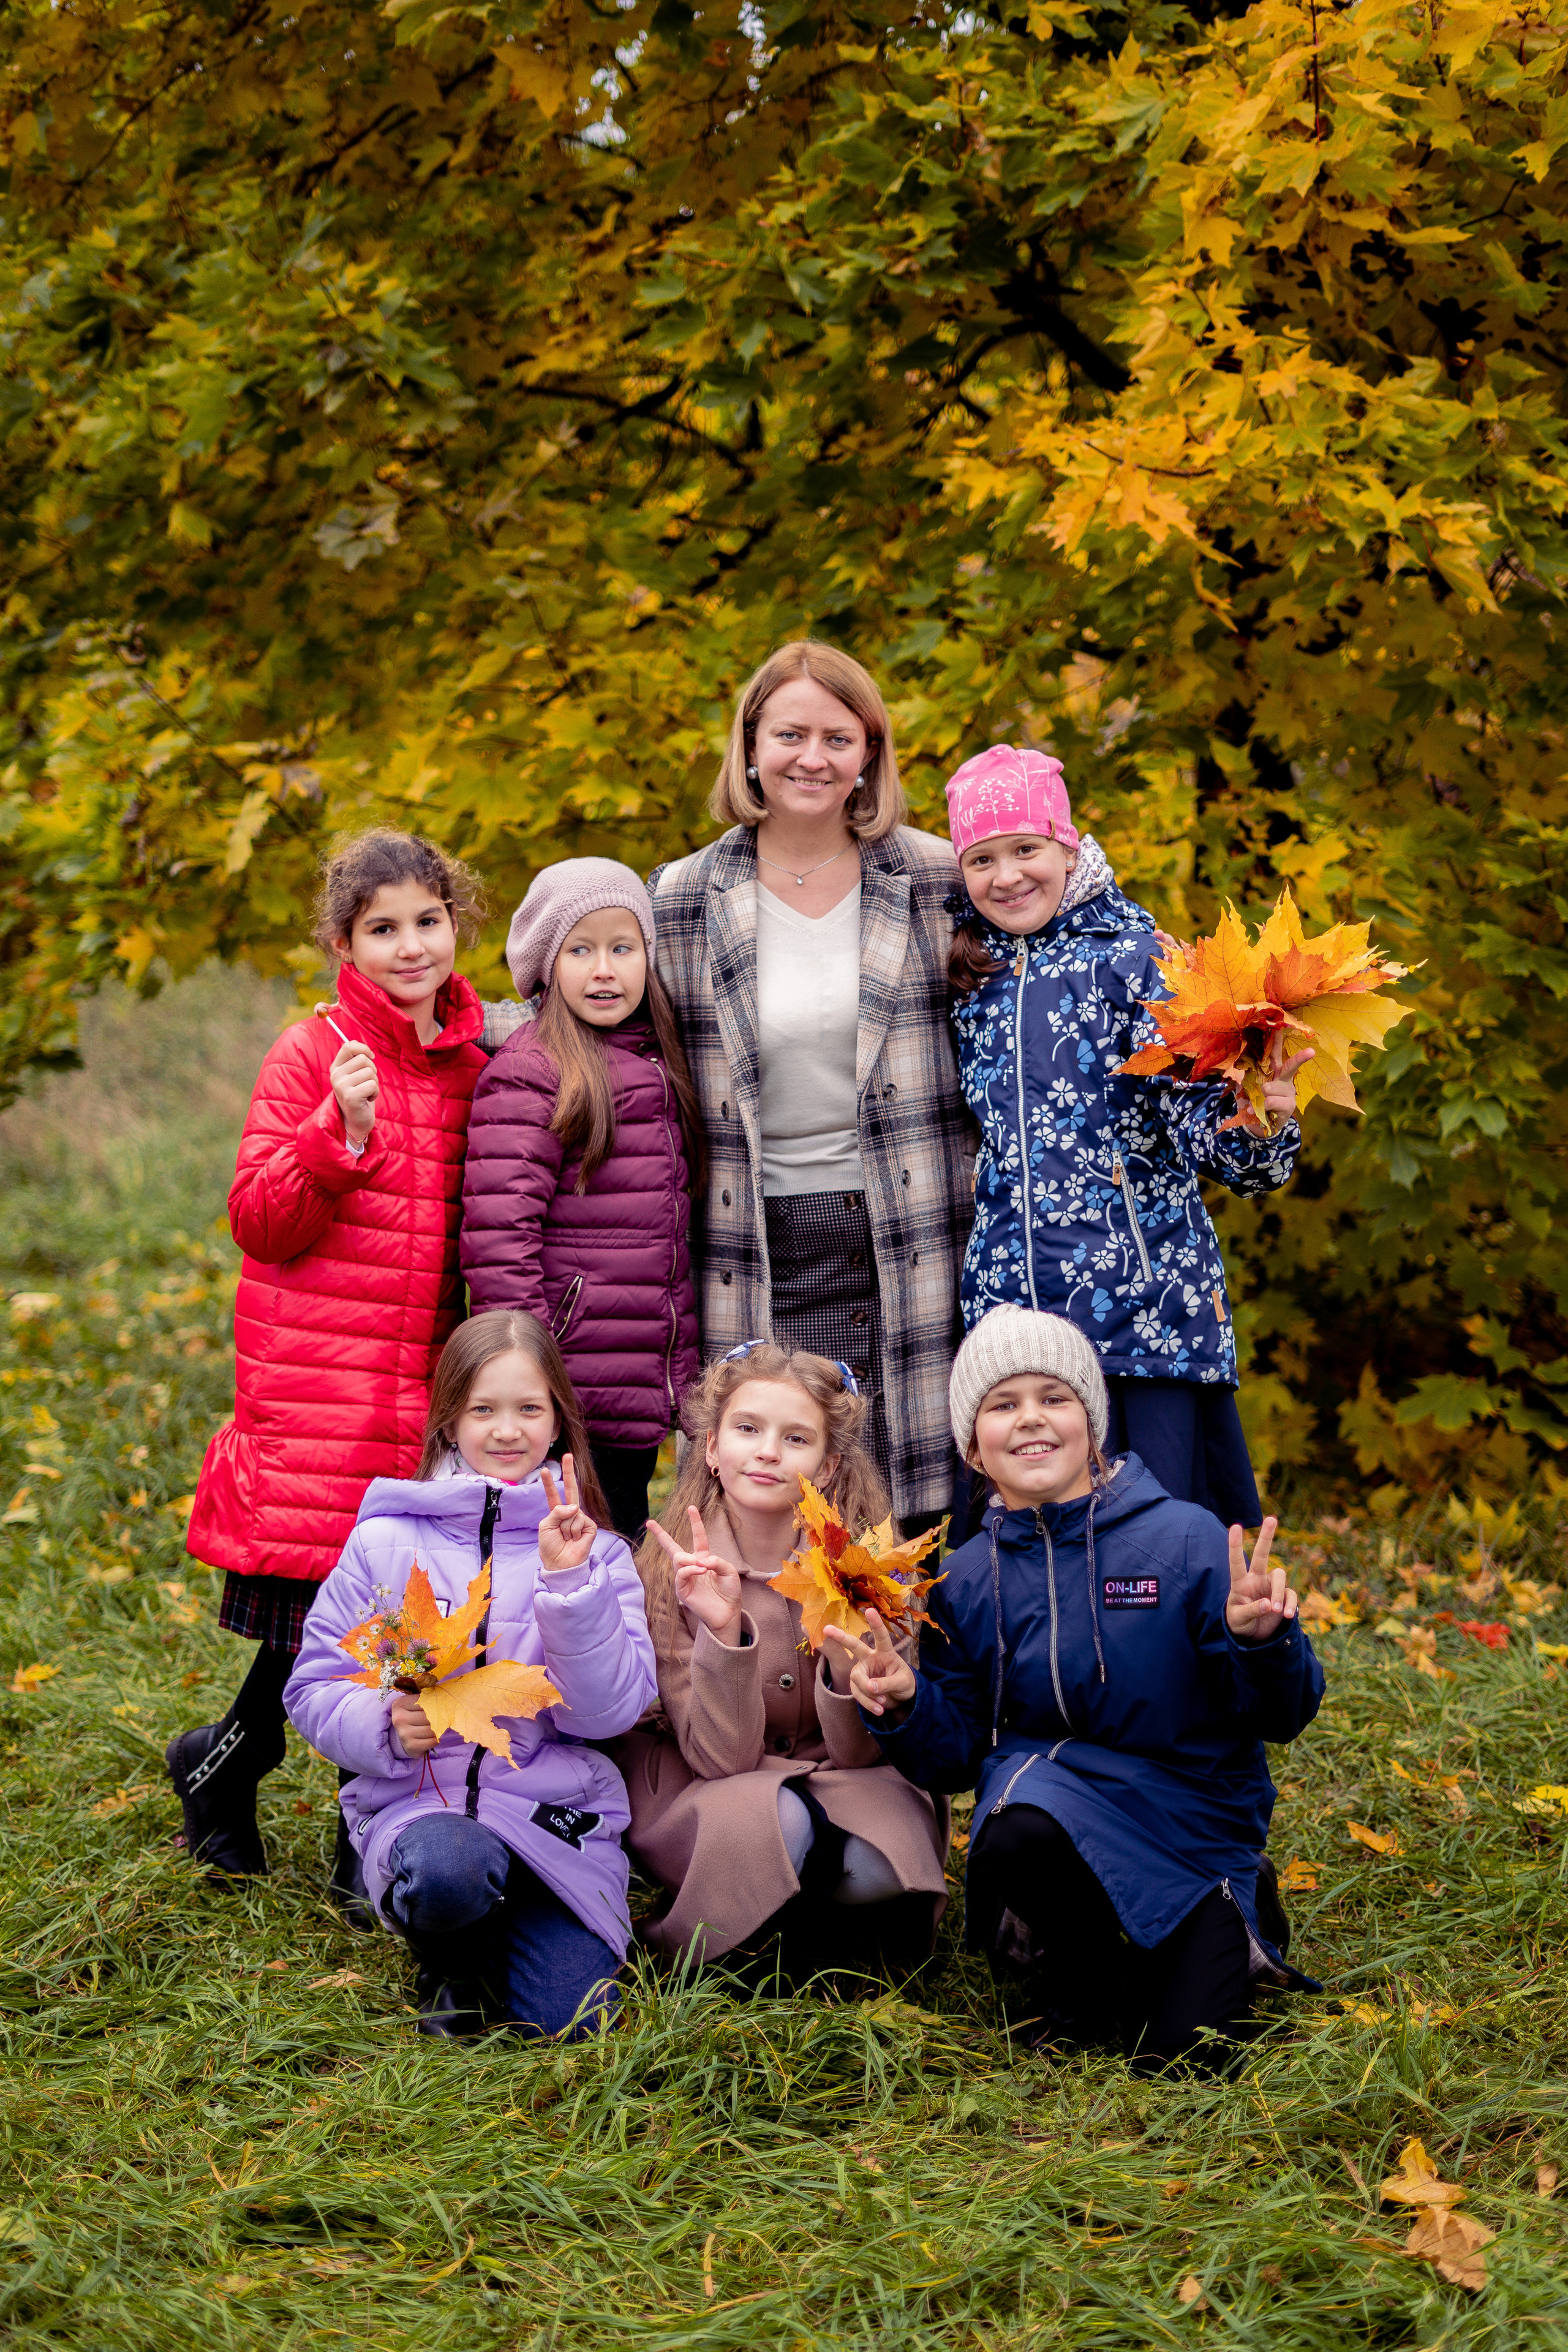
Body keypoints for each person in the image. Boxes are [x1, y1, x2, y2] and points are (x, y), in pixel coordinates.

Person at [834, 1306, 1325, 2069]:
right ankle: (1082, 1971)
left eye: (1052, 1397)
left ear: (1091, 1421)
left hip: (1187, 1816)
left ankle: (1234, 1905)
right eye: (1002, 1405)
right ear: (973, 1446)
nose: (1030, 1420)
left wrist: (1259, 1642)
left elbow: (1280, 1716)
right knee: (1016, 1826)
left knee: (1186, 2058)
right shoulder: (965, 1576)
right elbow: (958, 1756)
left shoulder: (1185, 1539)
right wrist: (905, 1703)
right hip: (1052, 1811)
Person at [168, 828, 488, 1894]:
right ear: (345, 943)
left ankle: (362, 1822)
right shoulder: (313, 1055)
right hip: (322, 1383)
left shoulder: (472, 1063)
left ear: (458, 925)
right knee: (320, 1618)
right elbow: (259, 1221)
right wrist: (332, 1133)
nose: (410, 947)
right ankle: (227, 1763)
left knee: (392, 1615)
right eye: (382, 930)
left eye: (426, 923)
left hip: (422, 1388)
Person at [647, 640, 976, 1537]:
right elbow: (602, 1023)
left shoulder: (935, 878)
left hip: (907, 1238)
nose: (812, 757)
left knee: (901, 1494)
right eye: (789, 734)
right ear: (750, 746)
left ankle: (891, 1678)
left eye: (839, 737)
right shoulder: (684, 895)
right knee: (759, 1491)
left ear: (869, 752)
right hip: (749, 1237)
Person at [944, 744, 1308, 1528]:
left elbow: (1221, 1144)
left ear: (1069, 848)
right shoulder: (972, 975)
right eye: (982, 859)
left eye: (1026, 850)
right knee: (1034, 1533)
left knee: (1157, 1539)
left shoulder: (1142, 962)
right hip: (1017, 1317)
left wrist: (1263, 1118)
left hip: (1140, 1310)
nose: (1006, 876)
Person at [284, 1310, 657, 2038]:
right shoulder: (386, 1542)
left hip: (552, 1818)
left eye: (528, 1409)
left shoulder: (602, 1556)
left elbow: (608, 1714)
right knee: (451, 1868)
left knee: (577, 2023)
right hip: (425, 1813)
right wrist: (381, 1722)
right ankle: (450, 1955)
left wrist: (568, 1586)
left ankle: (511, 1933)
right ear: (449, 1420)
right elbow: (313, 1683)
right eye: (483, 1409)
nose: (507, 1430)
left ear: (558, 1423)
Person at [620, 1342, 949, 1973]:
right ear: (713, 1449)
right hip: (708, 1783)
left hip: (844, 1772)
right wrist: (723, 1631)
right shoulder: (668, 1572)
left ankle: (830, 1921)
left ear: (826, 1468)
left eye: (796, 1439)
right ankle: (759, 1934)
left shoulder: (869, 1566)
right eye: (748, 1429)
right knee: (780, 1831)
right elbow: (721, 1759)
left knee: (875, 1867)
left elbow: (859, 1752)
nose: (768, 1451)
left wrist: (845, 1663)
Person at [459, 859, 704, 1544]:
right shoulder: (533, 1071)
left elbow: (665, 1253)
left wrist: (680, 1380)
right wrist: (533, 1378)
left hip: (633, 1385)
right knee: (571, 1552)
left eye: (622, 948)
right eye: (581, 950)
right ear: (546, 964)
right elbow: (500, 1244)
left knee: (620, 1548)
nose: (605, 970)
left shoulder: (659, 1061)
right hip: (569, 1384)